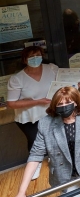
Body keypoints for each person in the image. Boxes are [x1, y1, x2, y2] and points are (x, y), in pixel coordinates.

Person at [7, 46, 59, 180]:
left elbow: (63, 83)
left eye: (38, 55)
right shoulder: (17, 79)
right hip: (28, 117)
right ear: (24, 60)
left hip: (50, 113)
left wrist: (77, 83)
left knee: (54, 137)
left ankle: (55, 161)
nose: (35, 58)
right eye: (31, 56)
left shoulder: (51, 68)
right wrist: (37, 101)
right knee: (36, 142)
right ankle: (35, 165)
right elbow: (11, 103)